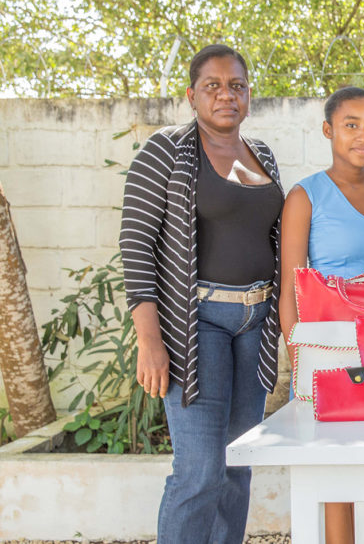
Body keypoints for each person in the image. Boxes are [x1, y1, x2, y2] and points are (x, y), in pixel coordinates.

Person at [121, 44, 284, 544]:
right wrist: (150, 342)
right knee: (198, 472)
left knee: (237, 465)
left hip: (255, 325)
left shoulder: (261, 155)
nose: (225, 95)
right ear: (192, 95)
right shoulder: (166, 150)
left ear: (249, 95)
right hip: (197, 326)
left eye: (236, 85)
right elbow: (135, 243)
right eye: (212, 86)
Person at [278, 86, 364, 544]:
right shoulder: (305, 196)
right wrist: (299, 354)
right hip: (329, 343)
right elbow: (290, 288)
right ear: (328, 130)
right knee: (336, 459)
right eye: (351, 125)